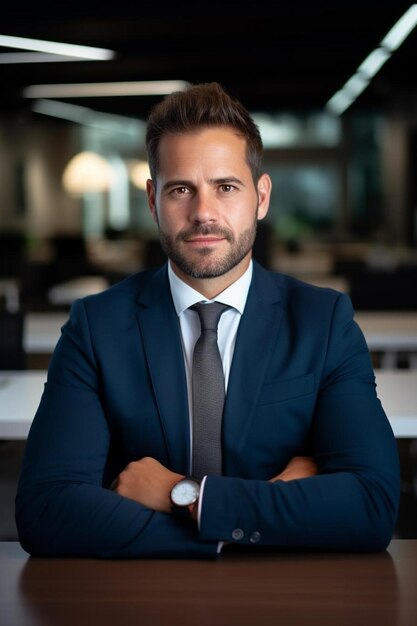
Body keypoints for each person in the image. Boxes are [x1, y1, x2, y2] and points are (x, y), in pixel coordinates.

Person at [15, 82, 400, 558]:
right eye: (181, 189)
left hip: (288, 598)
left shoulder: (324, 322)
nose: (203, 213)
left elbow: (371, 506)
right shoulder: (95, 326)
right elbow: (47, 510)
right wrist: (260, 518)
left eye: (226, 187)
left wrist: (187, 497)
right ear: (154, 200)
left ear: (261, 197)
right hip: (140, 598)